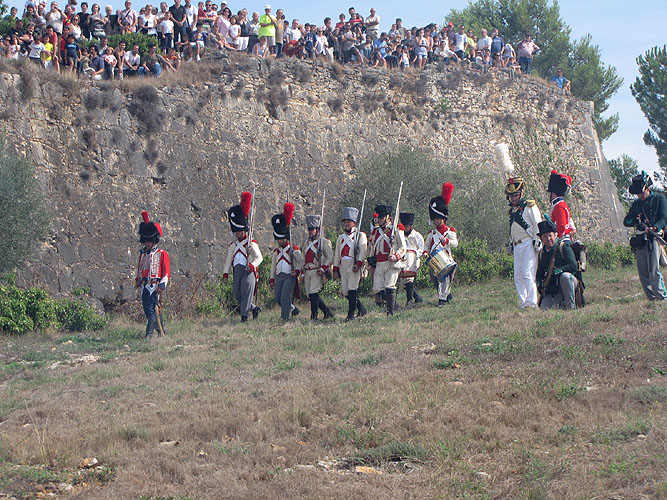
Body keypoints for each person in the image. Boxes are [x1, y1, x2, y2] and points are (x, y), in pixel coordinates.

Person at [624, 172, 667, 301]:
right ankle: (651, 298)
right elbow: (626, 221)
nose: (640, 196)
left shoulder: (659, 199)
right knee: (643, 272)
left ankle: (661, 297)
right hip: (640, 240)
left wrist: (655, 227)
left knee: (654, 270)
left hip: (654, 238)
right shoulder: (636, 204)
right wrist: (637, 221)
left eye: (641, 193)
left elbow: (663, 218)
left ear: (647, 189)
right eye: (638, 194)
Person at [222, 192, 263, 322]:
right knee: (237, 294)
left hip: (248, 270)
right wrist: (225, 273)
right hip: (238, 271)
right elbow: (228, 261)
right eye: (236, 231)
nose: (237, 233)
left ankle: (244, 317)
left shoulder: (251, 243)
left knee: (246, 292)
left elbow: (259, 258)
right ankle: (254, 308)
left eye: (239, 231)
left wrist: (252, 265)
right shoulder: (233, 245)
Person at [506, 176, 542, 308]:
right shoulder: (512, 211)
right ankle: (523, 302)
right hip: (517, 246)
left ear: (521, 194)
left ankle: (532, 302)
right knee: (518, 276)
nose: (513, 198)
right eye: (511, 196)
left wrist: (537, 240)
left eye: (515, 195)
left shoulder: (529, 206)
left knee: (528, 274)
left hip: (528, 243)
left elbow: (538, 224)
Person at [135, 211, 170, 339]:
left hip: (155, 285)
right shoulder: (142, 254)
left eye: (149, 241)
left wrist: (162, 285)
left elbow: (166, 272)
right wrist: (138, 280)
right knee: (150, 310)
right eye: (145, 241)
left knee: (151, 309)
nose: (147, 243)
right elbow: (140, 268)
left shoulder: (162, 253)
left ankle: (149, 334)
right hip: (144, 285)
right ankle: (161, 331)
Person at [368, 203, 406, 315]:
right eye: (378, 217)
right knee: (377, 288)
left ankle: (391, 312)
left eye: (382, 217)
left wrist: (395, 256)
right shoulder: (376, 231)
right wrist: (371, 257)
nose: (379, 220)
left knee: (389, 286)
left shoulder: (395, 229)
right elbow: (373, 245)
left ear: (388, 217)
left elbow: (403, 248)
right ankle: (394, 305)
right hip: (379, 263)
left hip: (391, 263)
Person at [424, 183, 458, 306]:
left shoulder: (450, 231)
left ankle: (442, 299)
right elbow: (427, 245)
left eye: (438, 218)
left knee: (444, 280)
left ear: (443, 218)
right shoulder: (432, 233)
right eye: (435, 218)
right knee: (435, 279)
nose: (436, 220)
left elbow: (455, 243)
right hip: (434, 259)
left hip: (445, 258)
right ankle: (447, 295)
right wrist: (425, 252)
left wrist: (447, 241)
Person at [270, 203, 304, 321]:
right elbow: (273, 266)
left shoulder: (293, 249)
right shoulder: (276, 252)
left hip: (290, 276)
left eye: (280, 239)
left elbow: (301, 262)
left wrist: (297, 271)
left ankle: (285, 318)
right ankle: (293, 309)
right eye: (278, 239)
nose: (279, 241)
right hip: (279, 276)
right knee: (278, 298)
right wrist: (272, 279)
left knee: (285, 297)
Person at [535, 217, 579, 309]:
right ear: (541, 239)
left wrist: (558, 271)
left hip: (568, 283)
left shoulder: (563, 247)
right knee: (545, 308)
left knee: (565, 277)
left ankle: (571, 307)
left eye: (550, 235)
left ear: (555, 235)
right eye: (545, 236)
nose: (548, 239)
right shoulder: (541, 254)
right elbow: (540, 273)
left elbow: (573, 266)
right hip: (553, 288)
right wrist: (540, 285)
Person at [333, 207, 368, 321]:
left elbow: (363, 250)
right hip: (343, 265)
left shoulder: (360, 235)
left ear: (354, 222)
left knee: (352, 289)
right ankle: (361, 308)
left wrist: (358, 263)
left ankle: (351, 314)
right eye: (345, 221)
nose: (346, 224)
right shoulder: (341, 238)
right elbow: (337, 254)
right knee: (346, 291)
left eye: (349, 221)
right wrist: (335, 268)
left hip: (354, 264)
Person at [301, 214, 334, 321]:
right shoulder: (306, 243)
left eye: (312, 229)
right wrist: (302, 273)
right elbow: (304, 259)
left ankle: (314, 316)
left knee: (313, 293)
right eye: (309, 229)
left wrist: (323, 268)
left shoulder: (323, 242)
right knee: (310, 295)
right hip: (307, 271)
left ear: (317, 230)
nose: (310, 231)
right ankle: (327, 312)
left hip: (317, 271)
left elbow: (330, 258)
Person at [398, 212, 424, 307]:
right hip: (402, 260)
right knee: (404, 281)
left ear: (411, 226)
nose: (405, 228)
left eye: (407, 226)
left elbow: (421, 249)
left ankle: (409, 300)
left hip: (413, 261)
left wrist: (414, 253)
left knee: (409, 278)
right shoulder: (400, 235)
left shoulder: (417, 236)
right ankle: (417, 297)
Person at [547, 170, 576, 241]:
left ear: (554, 194)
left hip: (562, 240)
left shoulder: (559, 206)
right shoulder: (562, 204)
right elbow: (572, 228)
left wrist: (557, 237)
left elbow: (562, 226)